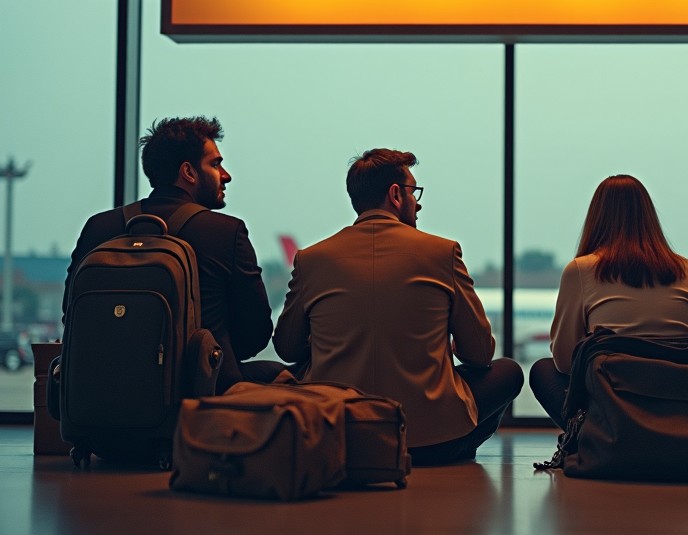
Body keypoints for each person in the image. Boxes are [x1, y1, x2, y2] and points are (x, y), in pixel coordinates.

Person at [273, 148, 523, 465]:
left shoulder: (312, 259)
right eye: (413, 192)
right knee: (509, 372)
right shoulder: (442, 252)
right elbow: (481, 354)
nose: (417, 203)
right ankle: (455, 449)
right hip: (431, 442)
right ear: (395, 194)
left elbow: (287, 348)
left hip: (339, 435)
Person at [64, 116, 281, 392]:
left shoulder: (99, 227)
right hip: (200, 397)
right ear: (188, 172)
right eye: (215, 164)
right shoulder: (225, 232)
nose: (226, 175)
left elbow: (70, 313)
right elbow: (256, 333)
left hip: (101, 398)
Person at [529, 174, 688, 430]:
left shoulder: (580, 271)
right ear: (649, 217)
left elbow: (564, 361)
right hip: (681, 412)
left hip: (614, 419)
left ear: (596, 219)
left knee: (542, 370)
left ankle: (588, 439)